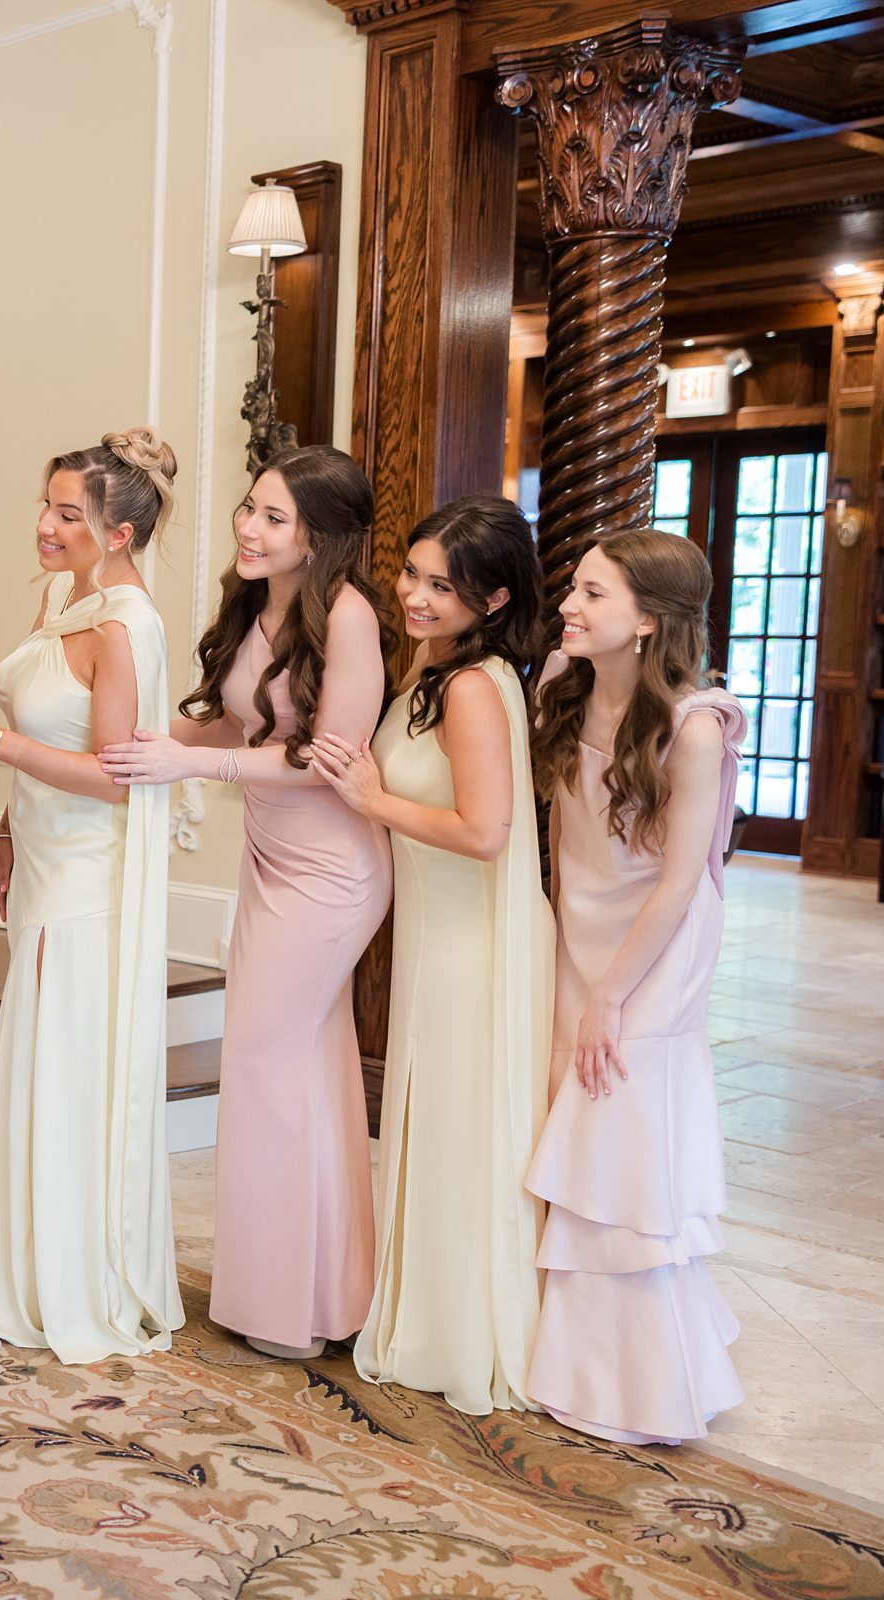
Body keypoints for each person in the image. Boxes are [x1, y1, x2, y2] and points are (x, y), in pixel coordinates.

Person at [101, 445, 392, 1360]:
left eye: (274, 518)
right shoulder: (260, 602)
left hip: (334, 869)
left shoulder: (349, 617)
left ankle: (286, 1303)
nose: (249, 529)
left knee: (265, 1061)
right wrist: (144, 739)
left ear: (321, 536)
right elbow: (235, 715)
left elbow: (325, 757)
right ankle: (311, 1292)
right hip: (271, 857)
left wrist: (191, 764)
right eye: (249, 509)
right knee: (303, 1067)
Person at [0, 429, 183, 1362]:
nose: (44, 524)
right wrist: (5, 816)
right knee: (36, 1058)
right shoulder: (62, 598)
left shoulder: (124, 626)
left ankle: (75, 1274)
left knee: (71, 1065)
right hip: (36, 860)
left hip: (88, 882)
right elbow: (45, 728)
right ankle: (19, 1254)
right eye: (47, 504)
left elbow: (116, 774)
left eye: (68, 514)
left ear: (117, 532)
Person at [310, 496, 552, 1414]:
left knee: (461, 1131)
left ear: (490, 600)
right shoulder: (433, 666)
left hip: (472, 946)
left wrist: (374, 804)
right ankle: (422, 1311)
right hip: (432, 935)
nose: (413, 595)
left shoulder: (475, 689)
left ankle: (462, 1329)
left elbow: (485, 833)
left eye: (439, 586)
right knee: (433, 1125)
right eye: (411, 573)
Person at [522, 529, 746, 1444]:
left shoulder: (696, 724)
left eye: (593, 594)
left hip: (654, 949)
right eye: (573, 588)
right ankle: (572, 1356)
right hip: (580, 930)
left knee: (619, 1132)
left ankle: (644, 1381)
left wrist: (613, 994)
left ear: (648, 621)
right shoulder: (557, 688)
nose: (569, 607)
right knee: (576, 1144)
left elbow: (680, 880)